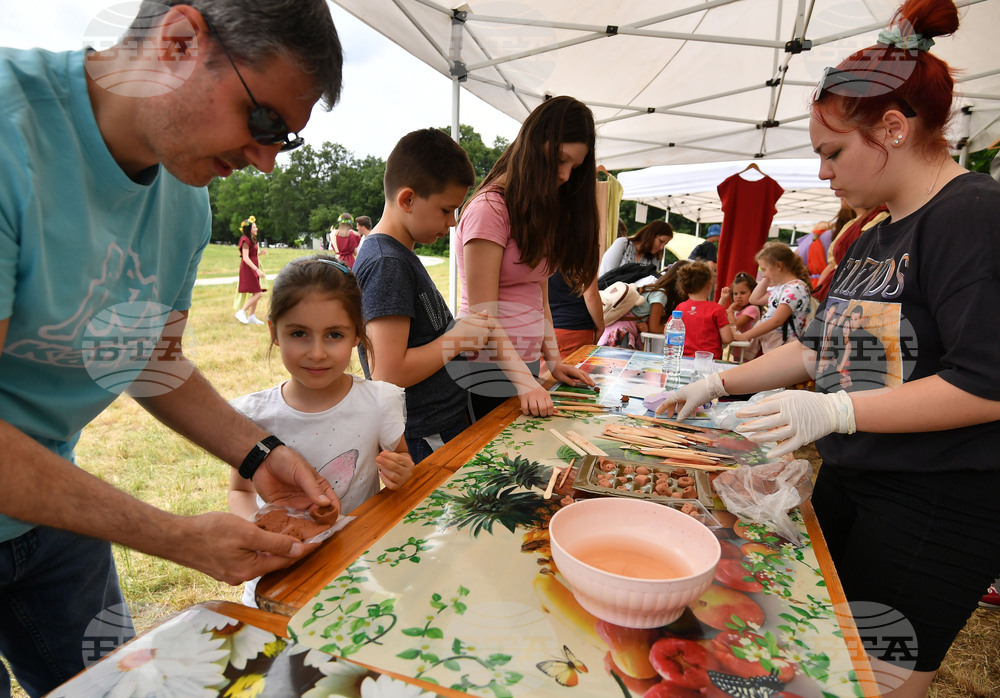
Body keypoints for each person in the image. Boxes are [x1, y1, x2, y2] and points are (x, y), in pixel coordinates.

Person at [0, 2, 344, 694]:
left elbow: (149, 359)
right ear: (180, 40)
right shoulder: (13, 132)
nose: (267, 162)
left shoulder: (185, 197)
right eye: (264, 122)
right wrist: (177, 536)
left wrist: (259, 453)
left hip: (51, 509)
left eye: (286, 141)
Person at [657, 0, 1000, 692]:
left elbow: (986, 382)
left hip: (935, 501)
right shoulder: (872, 235)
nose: (823, 176)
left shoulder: (972, 215)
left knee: (876, 676)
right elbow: (820, 347)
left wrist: (836, 413)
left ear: (895, 130)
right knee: (825, 661)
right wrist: (718, 384)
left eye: (833, 152)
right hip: (856, 481)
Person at [228, 254, 414, 605]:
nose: (317, 353)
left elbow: (401, 462)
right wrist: (255, 529)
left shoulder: (377, 403)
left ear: (357, 334)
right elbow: (239, 491)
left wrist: (403, 472)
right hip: (280, 580)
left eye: (334, 335)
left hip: (359, 570)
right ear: (274, 332)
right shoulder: (255, 416)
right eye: (299, 333)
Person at [353, 129, 492, 463]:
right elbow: (387, 373)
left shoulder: (399, 254)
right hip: (423, 436)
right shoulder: (388, 263)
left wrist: (458, 332)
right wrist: (457, 339)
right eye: (446, 210)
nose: (453, 221)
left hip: (442, 424)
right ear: (408, 200)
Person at [455, 96, 598, 420]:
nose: (565, 175)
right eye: (561, 160)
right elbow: (482, 315)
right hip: (486, 367)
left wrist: (554, 360)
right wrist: (524, 382)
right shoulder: (489, 210)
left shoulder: (536, 211)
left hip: (524, 363)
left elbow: (540, 295)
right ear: (536, 144)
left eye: (574, 167)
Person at [734, 241, 812, 354]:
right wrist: (768, 277)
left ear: (779, 266)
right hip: (775, 345)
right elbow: (754, 299)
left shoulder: (794, 289)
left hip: (785, 347)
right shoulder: (781, 287)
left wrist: (744, 336)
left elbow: (777, 320)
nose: (763, 274)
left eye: (764, 269)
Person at [673, 262, 733, 360]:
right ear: (710, 283)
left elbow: (668, 330)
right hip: (708, 362)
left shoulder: (680, 307)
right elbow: (727, 338)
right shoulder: (717, 309)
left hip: (682, 360)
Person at [549, 271, 604, 360]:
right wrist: (600, 326)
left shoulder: (540, 257)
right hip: (575, 330)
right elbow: (591, 295)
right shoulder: (584, 257)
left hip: (543, 327)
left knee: (544, 372)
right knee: (575, 371)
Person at [599, 219, 672, 277]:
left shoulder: (654, 258)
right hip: (608, 292)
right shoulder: (623, 243)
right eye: (661, 241)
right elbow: (605, 274)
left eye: (665, 244)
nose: (662, 247)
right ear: (651, 235)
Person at [718, 271, 760, 361]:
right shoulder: (737, 311)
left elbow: (735, 325)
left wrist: (730, 311)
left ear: (753, 292)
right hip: (738, 350)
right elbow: (718, 313)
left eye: (743, 293)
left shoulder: (753, 309)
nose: (738, 296)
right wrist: (723, 298)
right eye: (735, 294)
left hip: (748, 352)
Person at [235, 216, 267, 325]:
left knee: (255, 292)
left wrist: (260, 253)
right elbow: (245, 257)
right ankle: (241, 311)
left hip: (253, 267)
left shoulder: (252, 239)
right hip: (248, 269)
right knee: (259, 293)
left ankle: (252, 316)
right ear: (249, 229)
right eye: (254, 227)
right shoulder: (245, 240)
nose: (256, 229)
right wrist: (257, 270)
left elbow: (251, 254)